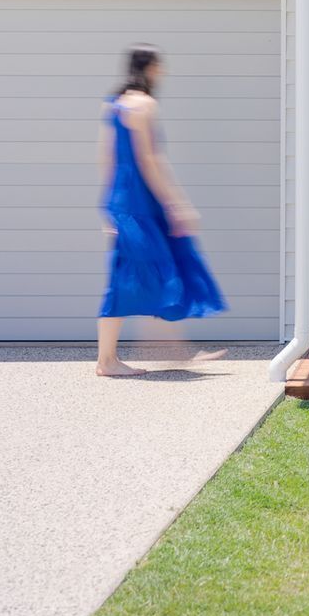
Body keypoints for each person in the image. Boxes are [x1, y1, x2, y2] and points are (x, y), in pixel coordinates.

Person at [96, 44, 226, 376]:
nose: (163, 72)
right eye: (159, 66)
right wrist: (176, 204)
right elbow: (150, 160)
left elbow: (107, 159)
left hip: (124, 203)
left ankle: (175, 353)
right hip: (142, 205)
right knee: (131, 277)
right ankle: (106, 362)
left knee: (158, 271)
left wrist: (108, 208)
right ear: (149, 68)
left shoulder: (114, 105)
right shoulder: (144, 105)